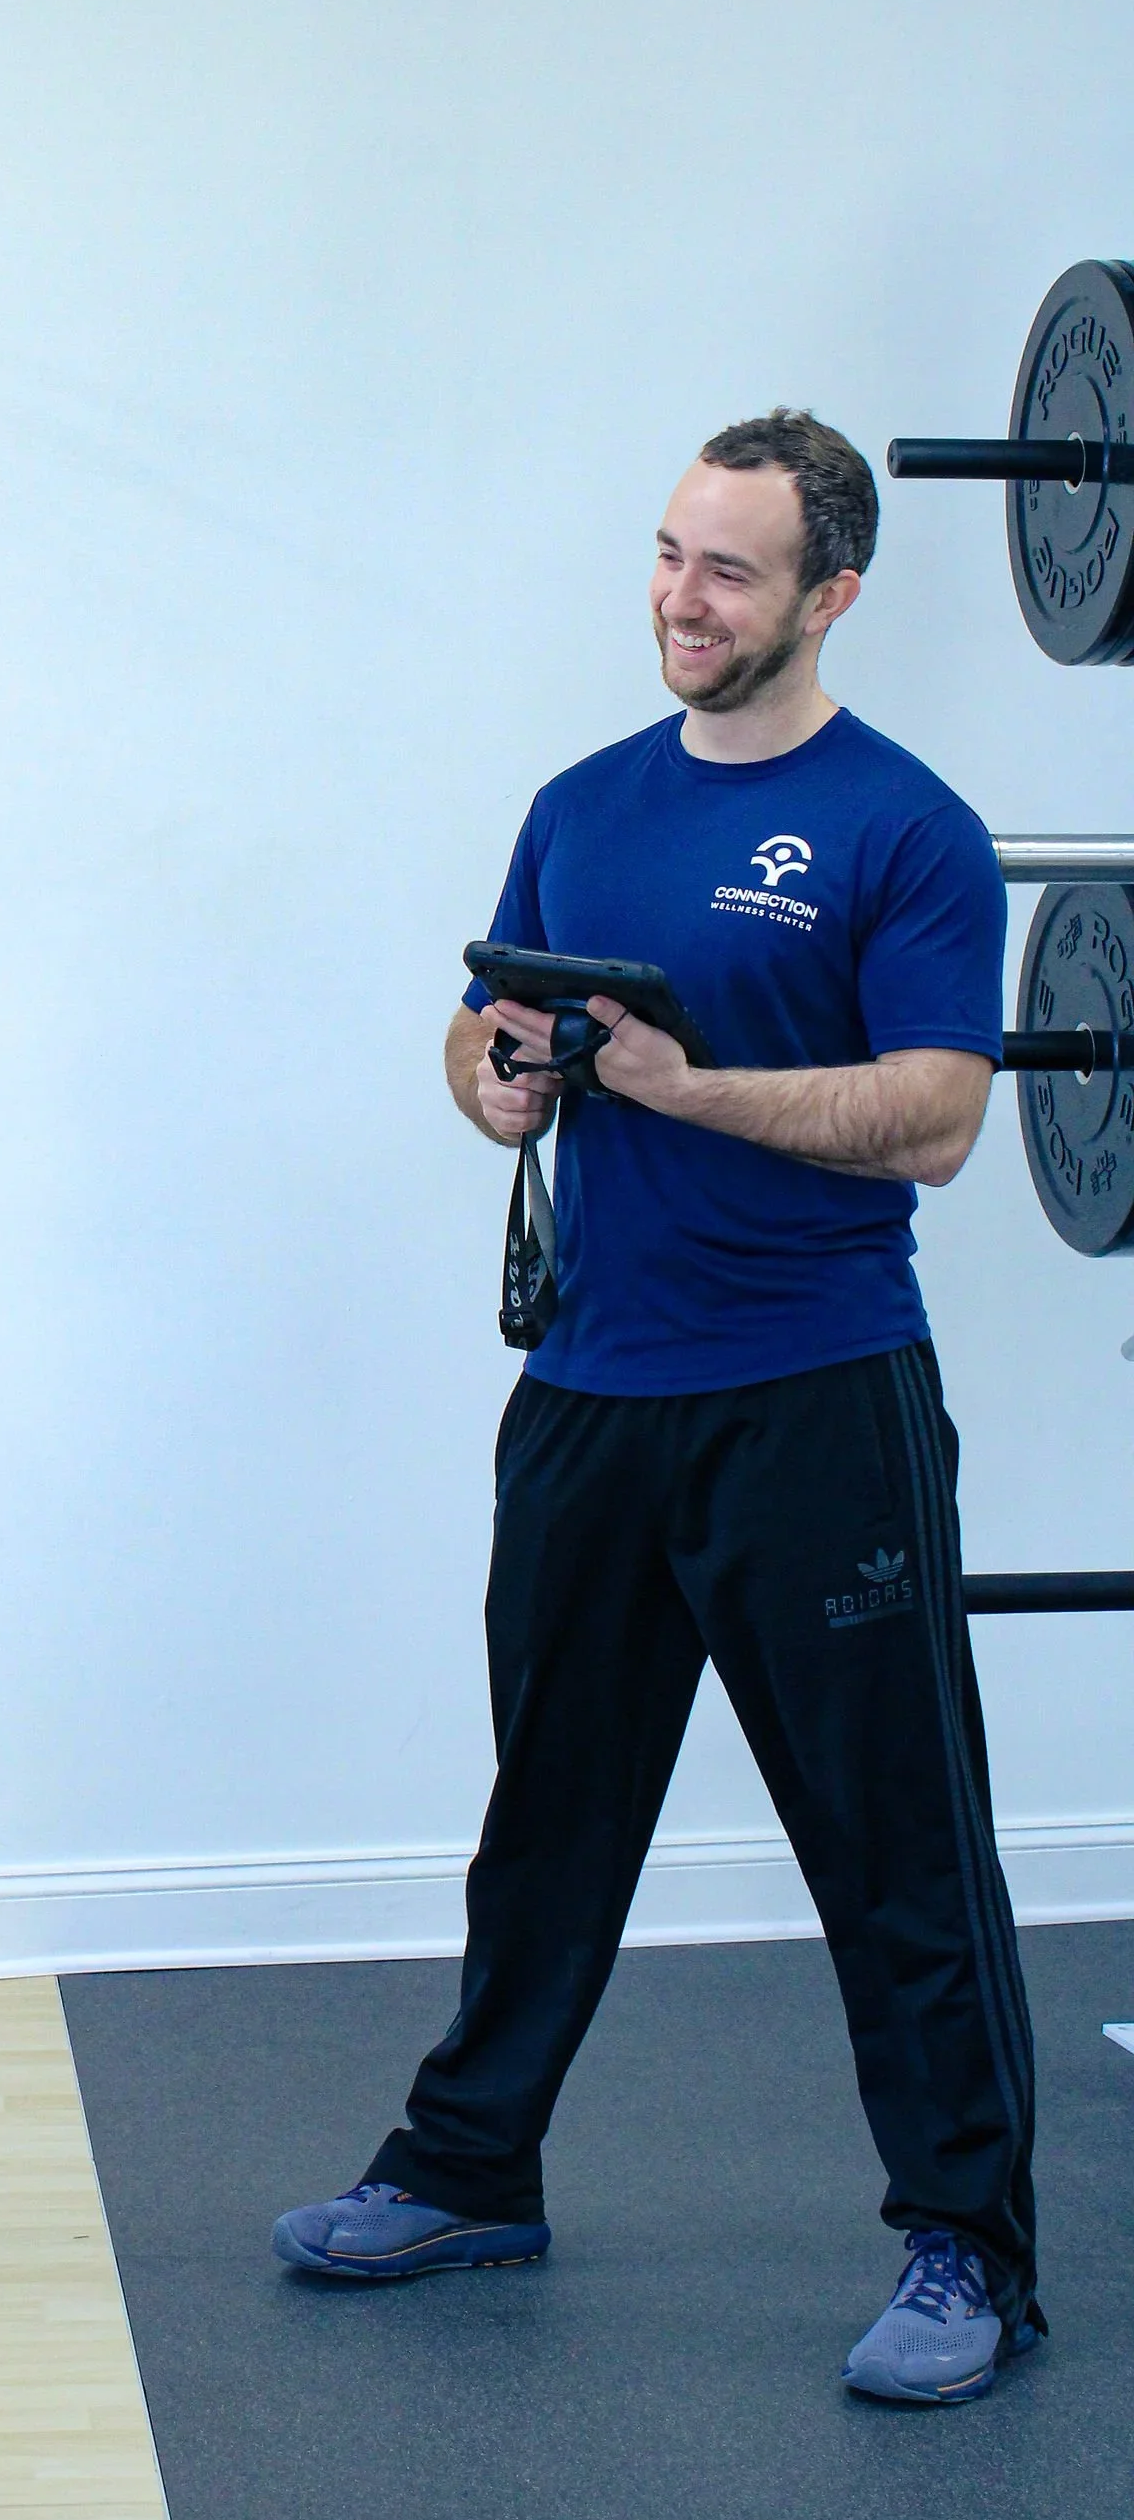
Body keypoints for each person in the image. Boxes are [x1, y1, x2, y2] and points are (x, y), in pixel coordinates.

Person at [271, 410, 1040, 2408]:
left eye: (732, 571)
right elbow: (477, 1031)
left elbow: (940, 1117)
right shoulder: (583, 801)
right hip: (595, 1392)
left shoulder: (905, 830)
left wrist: (691, 1090)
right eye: (672, 555)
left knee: (895, 1849)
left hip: (816, 1396)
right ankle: (468, 2168)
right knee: (552, 1817)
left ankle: (968, 2244)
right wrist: (505, 1077)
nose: (682, 600)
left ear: (830, 596)